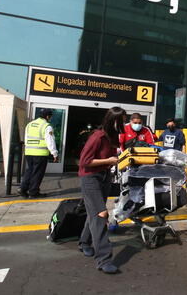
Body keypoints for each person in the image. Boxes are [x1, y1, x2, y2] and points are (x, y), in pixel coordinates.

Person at [78, 106, 126, 274]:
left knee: (94, 213)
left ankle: (84, 242)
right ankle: (103, 259)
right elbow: (84, 162)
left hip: (104, 178)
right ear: (113, 121)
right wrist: (108, 160)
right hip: (90, 178)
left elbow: (110, 160)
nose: (124, 124)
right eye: (122, 121)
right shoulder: (97, 136)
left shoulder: (113, 138)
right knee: (101, 214)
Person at [19, 108, 58, 198]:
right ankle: (33, 192)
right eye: (50, 116)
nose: (50, 118)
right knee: (38, 173)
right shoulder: (47, 126)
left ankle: (22, 188)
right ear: (47, 116)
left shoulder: (29, 124)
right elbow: (50, 141)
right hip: (40, 154)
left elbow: (26, 139)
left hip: (29, 152)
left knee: (30, 170)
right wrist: (54, 154)